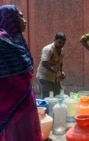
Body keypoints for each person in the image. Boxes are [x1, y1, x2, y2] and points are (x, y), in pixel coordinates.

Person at [0, 4, 42, 141]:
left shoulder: (18, 41)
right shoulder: (3, 43)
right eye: (20, 17)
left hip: (26, 103)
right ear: (10, 19)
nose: (24, 21)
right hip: (9, 109)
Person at [36, 32, 66, 98]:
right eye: (59, 42)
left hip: (55, 78)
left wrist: (61, 73)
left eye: (63, 43)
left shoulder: (62, 50)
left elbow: (60, 63)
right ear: (55, 40)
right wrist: (56, 72)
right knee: (47, 98)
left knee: (58, 97)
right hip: (44, 77)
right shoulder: (48, 49)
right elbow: (44, 63)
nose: (61, 44)